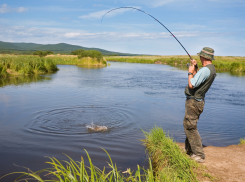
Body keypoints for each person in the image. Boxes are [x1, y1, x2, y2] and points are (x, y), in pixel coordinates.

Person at [183, 47, 216, 163]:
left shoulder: (206, 70)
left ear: (204, 57)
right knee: (188, 124)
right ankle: (189, 149)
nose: (199, 57)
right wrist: (196, 68)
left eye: (200, 56)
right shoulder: (210, 69)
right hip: (197, 101)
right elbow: (198, 80)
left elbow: (192, 84)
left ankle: (199, 155)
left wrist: (190, 71)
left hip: (194, 102)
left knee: (190, 126)